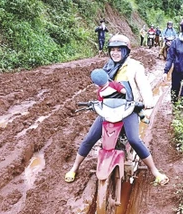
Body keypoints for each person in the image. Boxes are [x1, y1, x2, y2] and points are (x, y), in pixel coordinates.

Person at [65, 34, 169, 186]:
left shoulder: (135, 66)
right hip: (109, 110)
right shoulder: (107, 67)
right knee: (89, 138)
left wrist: (147, 101)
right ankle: (74, 167)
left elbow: (143, 86)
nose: (115, 53)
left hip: (128, 109)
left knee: (134, 139)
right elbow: (102, 88)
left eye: (119, 50)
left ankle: (155, 171)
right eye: (112, 50)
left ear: (126, 51)